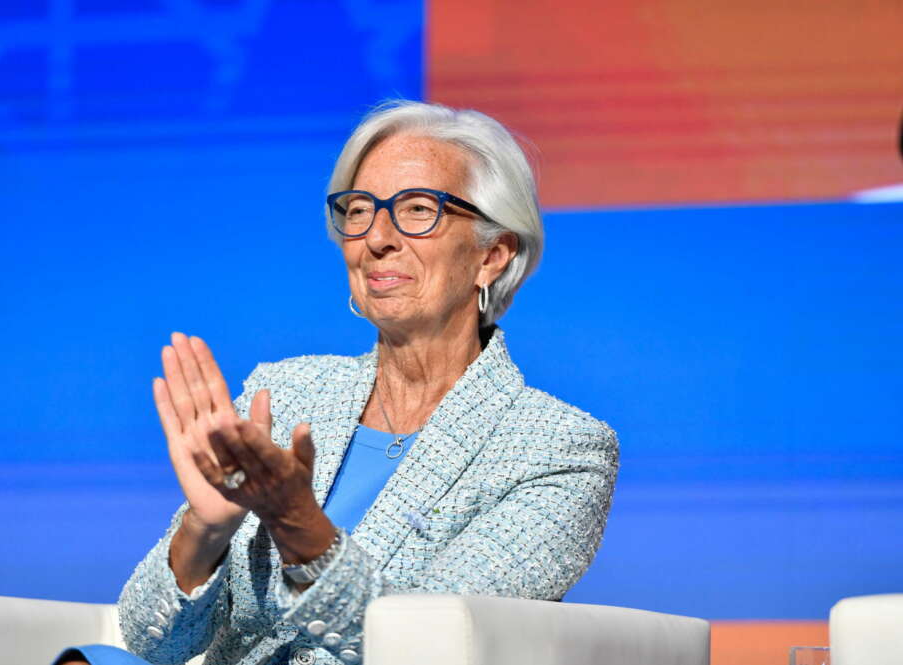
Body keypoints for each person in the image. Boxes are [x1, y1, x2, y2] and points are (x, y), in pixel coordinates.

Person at [54, 100, 619, 665]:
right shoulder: (285, 393)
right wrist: (206, 526)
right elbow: (154, 642)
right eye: (359, 210)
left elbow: (429, 647)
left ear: (493, 253)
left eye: (418, 209)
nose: (376, 238)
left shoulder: (558, 449)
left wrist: (298, 523)